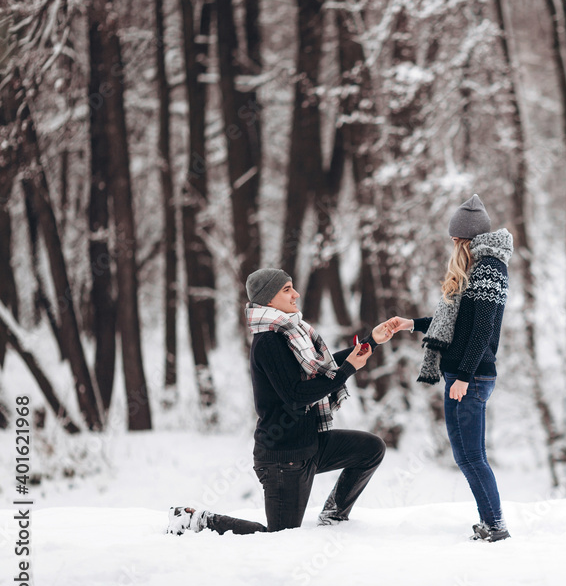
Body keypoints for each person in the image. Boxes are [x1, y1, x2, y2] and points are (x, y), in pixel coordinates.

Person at [168, 268, 393, 535]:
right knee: (279, 537)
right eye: (286, 289)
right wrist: (347, 371)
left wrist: (371, 342)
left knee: (371, 449)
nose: (296, 294)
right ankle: (200, 520)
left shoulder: (291, 332)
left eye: (292, 287)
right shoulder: (268, 341)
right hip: (283, 459)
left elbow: (321, 367)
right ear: (268, 300)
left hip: (310, 444)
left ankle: (333, 519)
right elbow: (297, 395)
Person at [391, 194, 514, 542]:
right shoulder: (478, 266)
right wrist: (410, 323)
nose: (453, 246)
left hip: (469, 376)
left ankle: (496, 526)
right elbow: (456, 324)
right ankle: (492, 523)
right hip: (464, 374)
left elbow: (482, 330)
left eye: (456, 240)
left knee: (472, 457)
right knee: (467, 456)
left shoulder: (489, 267)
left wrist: (463, 376)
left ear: (466, 239)